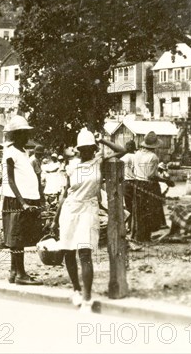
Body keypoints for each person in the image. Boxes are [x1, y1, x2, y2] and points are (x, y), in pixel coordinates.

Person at [51, 128, 126, 311]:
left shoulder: (98, 161)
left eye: (89, 148)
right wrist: (55, 219)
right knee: (68, 251)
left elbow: (122, 150)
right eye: (82, 148)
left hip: (88, 209)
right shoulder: (71, 166)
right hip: (70, 209)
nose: (86, 151)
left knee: (85, 253)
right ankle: (76, 289)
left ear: (93, 148)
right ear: (78, 149)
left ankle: (87, 297)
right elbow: (64, 194)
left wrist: (103, 141)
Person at [2, 115, 43, 286]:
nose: (27, 137)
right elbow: (10, 180)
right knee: (17, 238)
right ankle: (21, 273)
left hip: (27, 199)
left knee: (19, 238)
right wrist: (23, 202)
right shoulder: (10, 152)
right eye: (24, 134)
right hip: (17, 201)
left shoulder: (23, 152)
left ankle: (14, 271)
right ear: (16, 135)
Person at [131, 132, 170, 242]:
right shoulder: (153, 157)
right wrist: (166, 181)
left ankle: (140, 235)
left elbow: (135, 170)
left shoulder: (137, 154)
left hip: (137, 183)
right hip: (149, 185)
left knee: (139, 210)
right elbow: (151, 176)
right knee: (150, 211)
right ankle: (145, 236)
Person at [120, 140, 137, 231]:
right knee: (136, 204)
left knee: (128, 205)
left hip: (127, 183)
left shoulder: (123, 158)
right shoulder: (137, 157)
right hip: (137, 182)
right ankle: (134, 226)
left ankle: (129, 225)